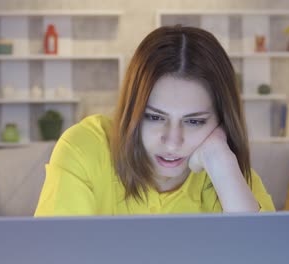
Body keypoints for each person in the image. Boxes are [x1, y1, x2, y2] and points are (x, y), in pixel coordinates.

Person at [34, 25, 275, 216]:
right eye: (154, 117)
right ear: (132, 112)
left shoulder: (223, 164)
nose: (172, 143)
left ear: (221, 121)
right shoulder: (84, 148)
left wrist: (222, 164)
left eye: (194, 122)